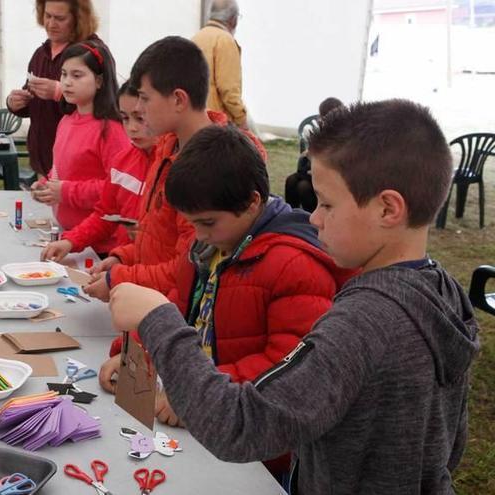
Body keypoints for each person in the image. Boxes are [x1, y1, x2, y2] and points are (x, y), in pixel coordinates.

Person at [108, 99, 479, 494]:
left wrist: (158, 319)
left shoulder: (364, 323)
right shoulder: (443, 293)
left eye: (327, 204)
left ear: (387, 208)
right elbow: (449, 443)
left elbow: (239, 427)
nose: (314, 217)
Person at [102, 124, 354, 480]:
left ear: (252, 202)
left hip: (257, 458)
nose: (199, 235)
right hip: (198, 428)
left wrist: (196, 395)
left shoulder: (294, 267)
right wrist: (134, 353)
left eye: (207, 223)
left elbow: (285, 369)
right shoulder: (207, 248)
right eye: (192, 224)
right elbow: (179, 309)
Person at [82, 36, 266, 304]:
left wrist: (120, 278)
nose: (139, 109)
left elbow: (187, 269)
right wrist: (123, 257)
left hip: (174, 314)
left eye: (145, 99)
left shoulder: (211, 170)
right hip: (151, 304)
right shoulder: (167, 147)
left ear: (179, 99)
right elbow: (160, 239)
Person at [29, 40, 131, 255]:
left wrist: (65, 192)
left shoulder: (110, 129)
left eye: (77, 75)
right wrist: (46, 185)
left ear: (100, 80)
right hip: (69, 238)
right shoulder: (67, 121)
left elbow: (117, 189)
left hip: (101, 247)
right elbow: (61, 170)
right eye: (64, 74)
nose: (66, 82)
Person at [40, 81, 156, 262]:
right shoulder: (124, 160)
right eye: (125, 118)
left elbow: (168, 244)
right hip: (124, 263)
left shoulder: (171, 167)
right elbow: (106, 213)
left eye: (140, 118)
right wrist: (70, 241)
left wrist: (120, 262)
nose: (132, 128)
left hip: (142, 271)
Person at [5, 0, 103, 177]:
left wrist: (60, 92)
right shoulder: (40, 53)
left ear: (78, 19)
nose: (51, 24)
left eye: (60, 18)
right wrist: (16, 103)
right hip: (44, 162)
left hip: (79, 165)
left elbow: (105, 101)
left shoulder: (93, 52)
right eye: (47, 15)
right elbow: (32, 100)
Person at [191, 0, 248, 128]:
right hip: (217, 125)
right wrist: (242, 120)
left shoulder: (196, 38)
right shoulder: (225, 41)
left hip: (195, 119)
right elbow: (228, 91)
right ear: (233, 19)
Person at [285, 97, 345, 212]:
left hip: (332, 177)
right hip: (315, 171)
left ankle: (311, 219)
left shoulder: (343, 135)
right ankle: (291, 213)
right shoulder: (323, 131)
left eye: (322, 116)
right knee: (291, 180)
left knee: (304, 187)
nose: (320, 119)